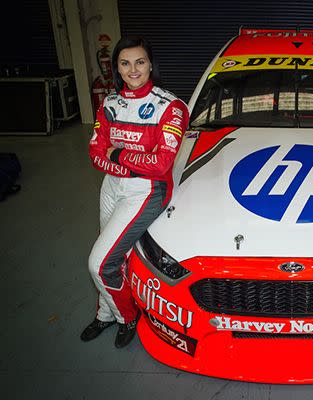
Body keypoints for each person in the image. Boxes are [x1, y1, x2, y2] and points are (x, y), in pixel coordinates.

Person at [81, 36, 189, 348]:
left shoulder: (171, 107)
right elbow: (94, 154)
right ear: (117, 67)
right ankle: (105, 313)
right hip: (112, 186)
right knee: (116, 258)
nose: (133, 69)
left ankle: (127, 317)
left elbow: (160, 165)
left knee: (100, 263)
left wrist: (116, 155)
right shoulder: (110, 104)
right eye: (125, 63)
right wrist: (129, 162)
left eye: (139, 62)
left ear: (151, 64)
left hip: (146, 192)